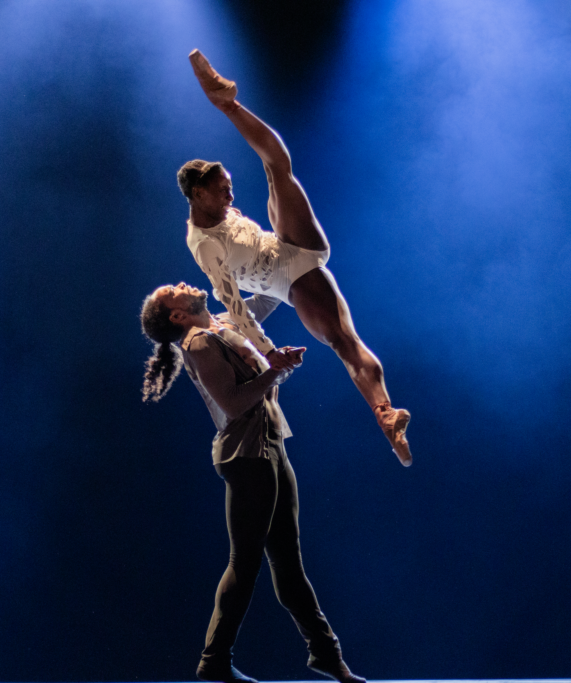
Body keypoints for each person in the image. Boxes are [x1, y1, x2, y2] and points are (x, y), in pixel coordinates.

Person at [178, 49, 412, 466]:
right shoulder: (204, 246)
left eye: (230, 186)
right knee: (343, 340)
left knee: (277, 168)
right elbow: (234, 306)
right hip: (285, 280)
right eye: (222, 190)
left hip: (286, 242)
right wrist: (267, 353)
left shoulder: (217, 209)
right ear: (198, 194)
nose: (231, 195)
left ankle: (228, 104)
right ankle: (385, 414)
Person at [140, 282, 366, 683]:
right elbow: (233, 402)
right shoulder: (198, 343)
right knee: (244, 564)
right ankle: (214, 661)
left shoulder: (226, 320)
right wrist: (275, 370)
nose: (182, 284)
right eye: (173, 291)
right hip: (244, 457)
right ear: (177, 316)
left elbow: (270, 295)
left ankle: (326, 654)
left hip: (270, 447)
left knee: (288, 563)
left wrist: (257, 261)